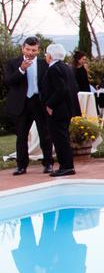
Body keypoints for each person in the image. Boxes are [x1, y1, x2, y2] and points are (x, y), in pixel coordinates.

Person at [5, 36, 53, 175]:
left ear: (38, 50)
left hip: (39, 102)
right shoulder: (13, 63)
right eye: (27, 49)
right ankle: (21, 166)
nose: (30, 52)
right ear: (22, 48)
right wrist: (21, 69)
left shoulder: (44, 63)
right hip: (21, 104)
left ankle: (48, 163)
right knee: (21, 136)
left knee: (45, 134)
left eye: (34, 50)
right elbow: (8, 81)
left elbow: (49, 84)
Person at [42, 44, 80, 177]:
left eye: (46, 54)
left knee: (59, 139)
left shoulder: (54, 69)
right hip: (67, 109)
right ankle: (66, 165)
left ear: (50, 56)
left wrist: (49, 104)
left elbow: (61, 89)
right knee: (63, 138)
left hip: (58, 110)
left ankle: (66, 166)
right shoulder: (66, 67)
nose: (45, 56)